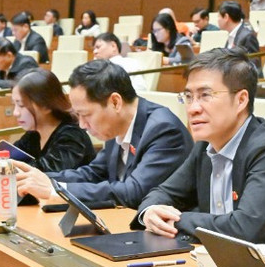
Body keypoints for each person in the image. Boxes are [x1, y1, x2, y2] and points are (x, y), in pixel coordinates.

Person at [130, 48, 265, 249]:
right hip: (234, 265)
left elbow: (244, 229)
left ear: (241, 100)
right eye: (189, 97)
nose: (193, 108)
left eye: (205, 95)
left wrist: (176, 219)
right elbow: (164, 192)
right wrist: (150, 211)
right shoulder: (205, 147)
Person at [12, 60, 193, 208]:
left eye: (86, 114)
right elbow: (93, 173)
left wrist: (55, 189)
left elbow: (134, 192)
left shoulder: (164, 130)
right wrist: (38, 178)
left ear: (115, 102)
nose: (82, 125)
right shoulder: (118, 125)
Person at [0, 69, 96, 182]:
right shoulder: (34, 133)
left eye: (22, 105)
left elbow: (45, 176)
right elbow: (10, 160)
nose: (15, 113)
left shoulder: (72, 135)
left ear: (46, 105)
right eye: (14, 105)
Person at [215, 1, 262, 76]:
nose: (217, 19)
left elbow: (254, 64)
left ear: (226, 17)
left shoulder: (247, 36)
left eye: (219, 16)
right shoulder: (232, 35)